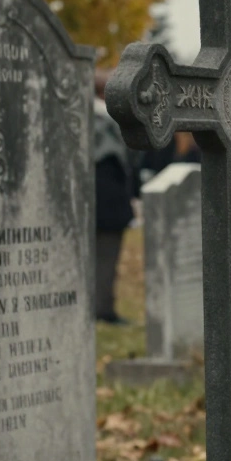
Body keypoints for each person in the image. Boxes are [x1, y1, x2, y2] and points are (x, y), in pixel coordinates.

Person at [92, 71, 138, 325]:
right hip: (108, 202)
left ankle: (94, 307)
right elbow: (125, 162)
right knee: (106, 259)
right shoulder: (109, 120)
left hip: (83, 203)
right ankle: (102, 309)